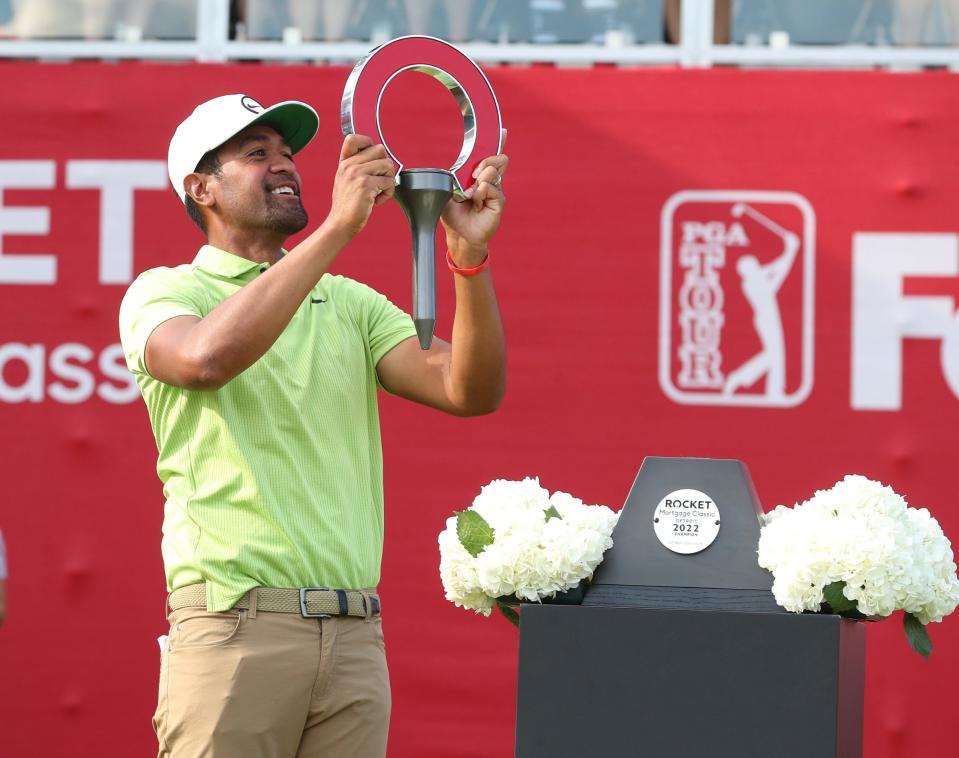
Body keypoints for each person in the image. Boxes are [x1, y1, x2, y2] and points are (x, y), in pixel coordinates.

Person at [118, 93, 507, 758]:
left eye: (289, 153)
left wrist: (466, 258)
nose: (285, 165)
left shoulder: (348, 302)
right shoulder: (166, 292)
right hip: (235, 629)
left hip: (355, 635)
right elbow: (204, 360)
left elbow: (468, 389)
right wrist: (337, 229)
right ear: (200, 188)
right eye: (256, 154)